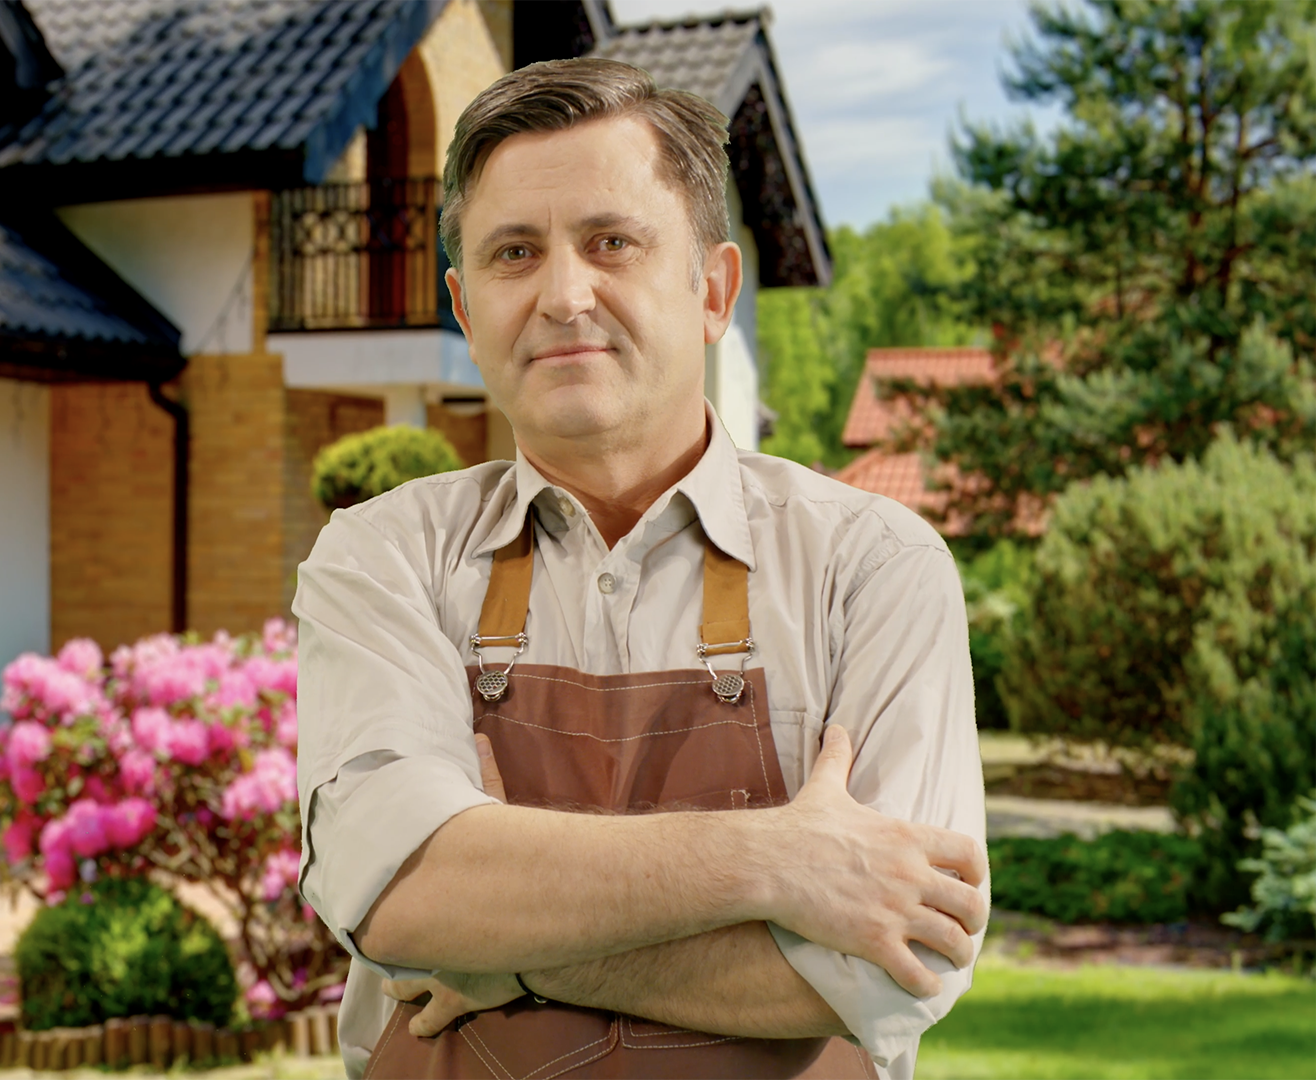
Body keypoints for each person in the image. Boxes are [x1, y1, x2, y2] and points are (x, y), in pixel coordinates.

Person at [293, 58, 988, 1080]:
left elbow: (891, 964)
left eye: (611, 242)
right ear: (464, 309)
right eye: (514, 254)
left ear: (711, 290)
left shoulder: (872, 567)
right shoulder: (381, 557)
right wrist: (778, 860)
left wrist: (509, 959)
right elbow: (402, 895)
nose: (564, 295)